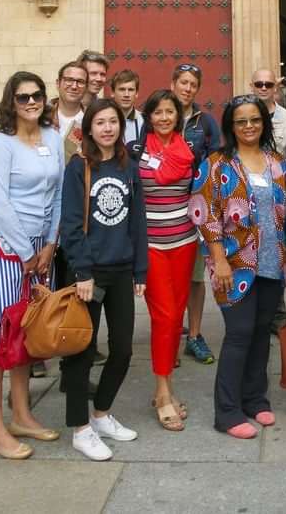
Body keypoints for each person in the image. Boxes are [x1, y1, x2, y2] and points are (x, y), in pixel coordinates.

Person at [0, 71, 63, 459]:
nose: (30, 102)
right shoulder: (2, 145)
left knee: (25, 333)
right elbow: (0, 203)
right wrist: (26, 251)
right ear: (11, 102)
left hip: (41, 251)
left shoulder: (54, 138)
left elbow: (59, 194)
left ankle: (22, 413)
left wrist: (51, 244)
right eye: (23, 96)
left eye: (37, 95)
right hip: (4, 248)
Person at [190, 95, 286, 438]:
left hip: (273, 263)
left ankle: (256, 399)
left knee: (262, 333)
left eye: (255, 120)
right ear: (231, 126)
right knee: (239, 334)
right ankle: (227, 412)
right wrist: (219, 260)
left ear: (263, 122)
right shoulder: (217, 164)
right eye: (241, 121)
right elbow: (204, 214)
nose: (249, 126)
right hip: (233, 265)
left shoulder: (276, 161)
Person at [60, 98, 148, 461]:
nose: (108, 128)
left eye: (114, 122)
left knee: (124, 348)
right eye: (101, 122)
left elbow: (137, 221)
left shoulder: (129, 167)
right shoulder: (79, 167)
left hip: (122, 268)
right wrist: (82, 271)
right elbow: (70, 224)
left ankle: (101, 414)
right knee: (81, 351)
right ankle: (80, 428)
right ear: (90, 128)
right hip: (89, 274)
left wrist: (140, 270)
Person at [131, 89, 197, 431]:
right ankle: (161, 390)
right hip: (152, 245)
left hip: (184, 242)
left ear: (178, 115)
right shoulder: (138, 152)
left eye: (170, 112)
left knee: (176, 315)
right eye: (158, 112)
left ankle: (167, 386)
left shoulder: (188, 151)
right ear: (149, 117)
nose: (164, 118)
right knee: (165, 314)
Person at [171, 62, 221, 366]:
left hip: (196, 206)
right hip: (165, 207)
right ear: (174, 83)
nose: (188, 88)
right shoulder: (162, 113)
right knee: (169, 276)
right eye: (184, 82)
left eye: (193, 84)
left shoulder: (206, 122)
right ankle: (170, 334)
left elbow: (215, 158)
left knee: (194, 277)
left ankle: (194, 336)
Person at [251, 68, 286, 154]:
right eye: (259, 84)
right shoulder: (240, 116)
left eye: (269, 85)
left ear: (275, 88)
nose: (264, 88)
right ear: (251, 87)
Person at [49, 61, 87, 164]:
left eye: (80, 81)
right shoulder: (41, 117)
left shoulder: (92, 120)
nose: (74, 86)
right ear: (58, 83)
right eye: (69, 80)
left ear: (86, 87)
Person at [110, 69, 143, 145]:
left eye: (131, 90)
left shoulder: (145, 121)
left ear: (137, 93)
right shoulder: (104, 121)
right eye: (122, 89)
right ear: (112, 92)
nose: (126, 94)